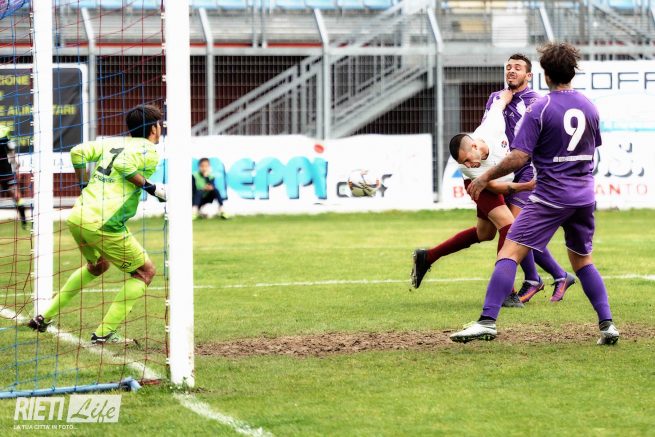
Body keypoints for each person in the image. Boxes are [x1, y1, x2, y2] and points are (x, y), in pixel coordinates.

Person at [450, 43, 619, 345]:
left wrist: (485, 176)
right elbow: (590, 149)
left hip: (550, 196)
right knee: (583, 261)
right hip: (584, 197)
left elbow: (518, 157)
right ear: (572, 72)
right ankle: (607, 326)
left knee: (509, 253)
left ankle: (487, 322)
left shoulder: (539, 108)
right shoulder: (589, 106)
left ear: (544, 74)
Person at [28, 105, 167, 345]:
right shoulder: (149, 150)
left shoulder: (114, 143)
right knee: (145, 271)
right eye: (160, 125)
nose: (161, 129)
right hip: (103, 223)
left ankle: (43, 317)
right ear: (154, 128)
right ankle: (104, 332)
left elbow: (77, 152)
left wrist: (83, 185)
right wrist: (152, 188)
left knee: (98, 265)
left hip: (79, 216)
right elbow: (123, 166)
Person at [411, 89, 536, 308]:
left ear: (476, 146)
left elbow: (500, 101)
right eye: (464, 163)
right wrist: (526, 186)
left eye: (468, 159)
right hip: (480, 186)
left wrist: (510, 91)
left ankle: (427, 257)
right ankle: (506, 291)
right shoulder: (468, 170)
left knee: (484, 233)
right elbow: (495, 187)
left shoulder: (493, 126)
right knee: (509, 226)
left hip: (496, 181)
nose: (468, 164)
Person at [485, 53, 575, 304]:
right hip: (503, 168)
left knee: (515, 227)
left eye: (517, 67)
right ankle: (554, 276)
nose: (511, 71)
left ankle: (540, 278)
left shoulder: (536, 101)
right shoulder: (495, 98)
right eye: (508, 67)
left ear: (529, 75)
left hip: (527, 169)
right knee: (511, 229)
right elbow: (487, 129)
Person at [0, 125, 28, 229]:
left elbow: (11, 152)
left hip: (6, 171)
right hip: (5, 171)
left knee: (16, 196)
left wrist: (16, 168)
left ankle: (24, 220)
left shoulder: (4, 132)